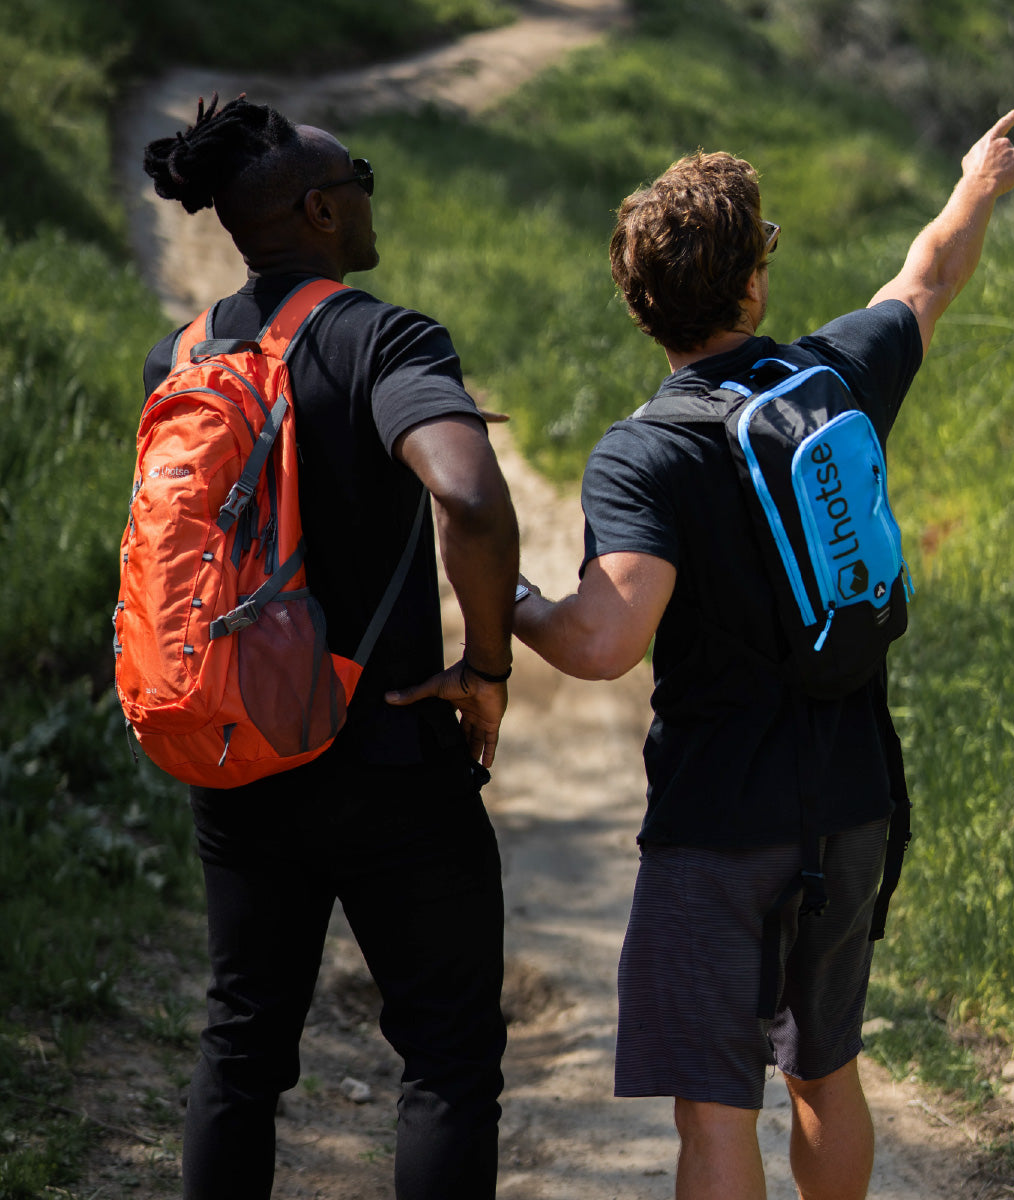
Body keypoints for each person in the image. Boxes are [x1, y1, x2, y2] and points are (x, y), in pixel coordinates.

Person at [508, 110, 1014, 1198]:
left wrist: (508, 601)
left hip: (716, 824)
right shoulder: (831, 381)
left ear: (644, 306)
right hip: (850, 804)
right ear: (750, 286)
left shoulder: (645, 453)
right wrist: (977, 184)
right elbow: (926, 278)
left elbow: (605, 639)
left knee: (716, 1113)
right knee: (827, 1072)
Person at [140, 94, 520, 1200]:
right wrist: (486, 666)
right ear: (317, 210)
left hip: (237, 755)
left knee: (242, 1045)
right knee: (447, 1058)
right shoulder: (383, 338)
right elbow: (471, 496)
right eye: (358, 177)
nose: (366, 195)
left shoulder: (181, 354)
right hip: (391, 757)